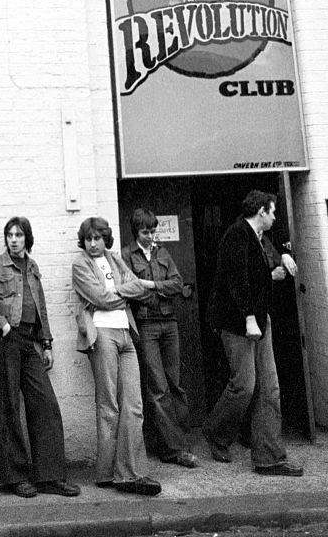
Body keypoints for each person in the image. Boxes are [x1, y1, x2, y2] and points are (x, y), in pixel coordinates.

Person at [0, 216, 80, 499]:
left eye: (19, 235)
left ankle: (50, 476)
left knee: (45, 405)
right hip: (8, 340)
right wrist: (4, 326)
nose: (13, 239)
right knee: (9, 407)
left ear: (27, 238)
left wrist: (47, 343)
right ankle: (14, 478)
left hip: (30, 343)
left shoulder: (32, 267)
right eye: (9, 234)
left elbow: (41, 307)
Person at [201, 191, 303, 476]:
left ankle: (269, 457)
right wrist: (249, 319)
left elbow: (258, 273)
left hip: (260, 320)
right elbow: (237, 280)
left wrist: (282, 255)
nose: (275, 217)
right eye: (272, 212)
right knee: (245, 385)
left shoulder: (259, 237)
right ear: (260, 211)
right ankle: (216, 432)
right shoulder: (238, 234)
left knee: (269, 388)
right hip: (238, 324)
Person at [71, 216, 162, 496]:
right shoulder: (80, 264)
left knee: (133, 403)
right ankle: (106, 473)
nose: (93, 243)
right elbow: (101, 298)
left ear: (105, 238)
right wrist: (125, 293)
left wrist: (119, 292)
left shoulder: (114, 259)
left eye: (98, 238)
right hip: (102, 333)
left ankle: (130, 473)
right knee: (108, 405)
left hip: (125, 333)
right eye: (89, 239)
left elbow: (137, 286)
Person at [121, 208, 197, 468]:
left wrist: (153, 286)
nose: (150, 236)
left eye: (152, 231)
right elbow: (131, 290)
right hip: (146, 324)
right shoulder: (126, 255)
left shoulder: (162, 252)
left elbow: (178, 283)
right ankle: (172, 448)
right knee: (157, 386)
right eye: (145, 232)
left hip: (169, 323)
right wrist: (158, 293)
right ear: (136, 232)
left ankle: (180, 441)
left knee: (175, 383)